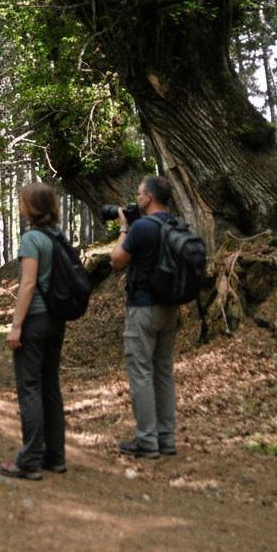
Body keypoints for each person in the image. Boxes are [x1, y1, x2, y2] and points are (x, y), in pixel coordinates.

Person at [109, 175, 181, 459]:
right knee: (163, 372)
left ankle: (147, 441)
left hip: (142, 307)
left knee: (141, 372)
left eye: (139, 193)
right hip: (171, 307)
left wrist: (124, 229)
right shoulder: (178, 225)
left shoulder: (141, 228)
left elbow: (116, 260)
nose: (137, 198)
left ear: (149, 197)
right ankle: (167, 438)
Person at [0, 182, 67, 480]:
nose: (19, 205)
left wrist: (16, 326)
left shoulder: (32, 239)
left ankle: (30, 459)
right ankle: (56, 456)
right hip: (56, 319)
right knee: (50, 386)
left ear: (31, 207)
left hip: (35, 319)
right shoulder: (58, 236)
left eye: (22, 201)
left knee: (30, 387)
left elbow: (27, 285)